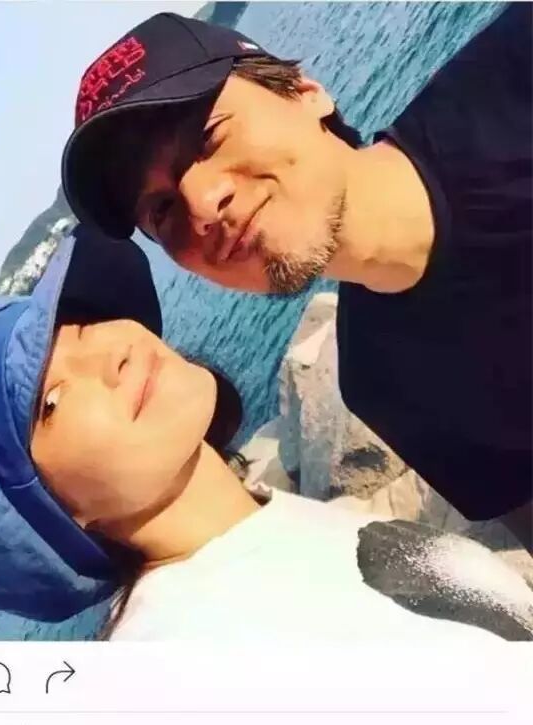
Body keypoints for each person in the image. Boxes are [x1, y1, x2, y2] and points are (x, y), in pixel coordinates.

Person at [0, 228, 531, 640]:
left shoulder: (262, 533)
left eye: (79, 328)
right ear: (39, 525)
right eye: (50, 402)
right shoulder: (193, 667)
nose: (112, 353)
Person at [60, 5, 532, 551]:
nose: (203, 205)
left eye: (209, 138)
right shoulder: (384, 385)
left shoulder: (518, 71)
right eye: (162, 209)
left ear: (306, 92)